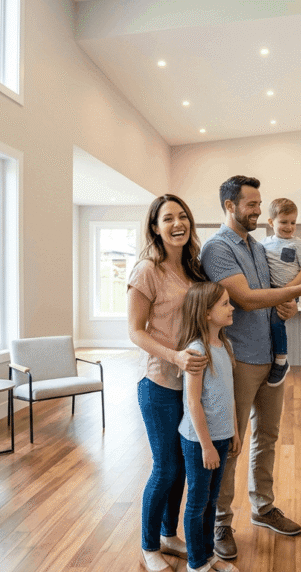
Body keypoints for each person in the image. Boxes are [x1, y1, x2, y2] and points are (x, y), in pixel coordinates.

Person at [200, 175, 301, 561]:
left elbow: (270, 297)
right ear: (230, 205)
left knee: (268, 437)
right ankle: (220, 522)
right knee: (230, 444)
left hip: (270, 358)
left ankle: (262, 507)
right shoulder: (217, 248)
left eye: (259, 204)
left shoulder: (257, 246)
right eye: (251, 204)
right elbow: (246, 299)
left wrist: (288, 306)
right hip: (239, 360)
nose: (258, 210)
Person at [128, 194, 210, 572]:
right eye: (168, 219)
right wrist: (175, 357)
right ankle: (148, 546)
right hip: (158, 382)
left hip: (191, 384)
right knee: (165, 468)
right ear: (155, 227)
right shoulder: (147, 270)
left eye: (183, 217)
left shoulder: (194, 268)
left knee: (182, 467)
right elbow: (135, 331)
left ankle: (167, 534)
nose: (178, 224)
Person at [177, 282, 242, 572]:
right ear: (206, 313)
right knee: (197, 503)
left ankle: (207, 554)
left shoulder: (225, 346)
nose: (232, 308)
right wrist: (206, 446)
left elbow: (229, 396)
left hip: (222, 437)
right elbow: (193, 403)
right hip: (199, 442)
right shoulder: (196, 350)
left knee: (212, 501)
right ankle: (196, 563)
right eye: (225, 304)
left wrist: (234, 432)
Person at [260, 198, 301, 386]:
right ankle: (270, 357)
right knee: (266, 324)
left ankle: (281, 361)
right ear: (271, 222)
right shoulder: (263, 244)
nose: (289, 227)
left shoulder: (298, 244)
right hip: (271, 292)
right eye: (284, 222)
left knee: (276, 321)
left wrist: (290, 289)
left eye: (293, 222)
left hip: (289, 291)